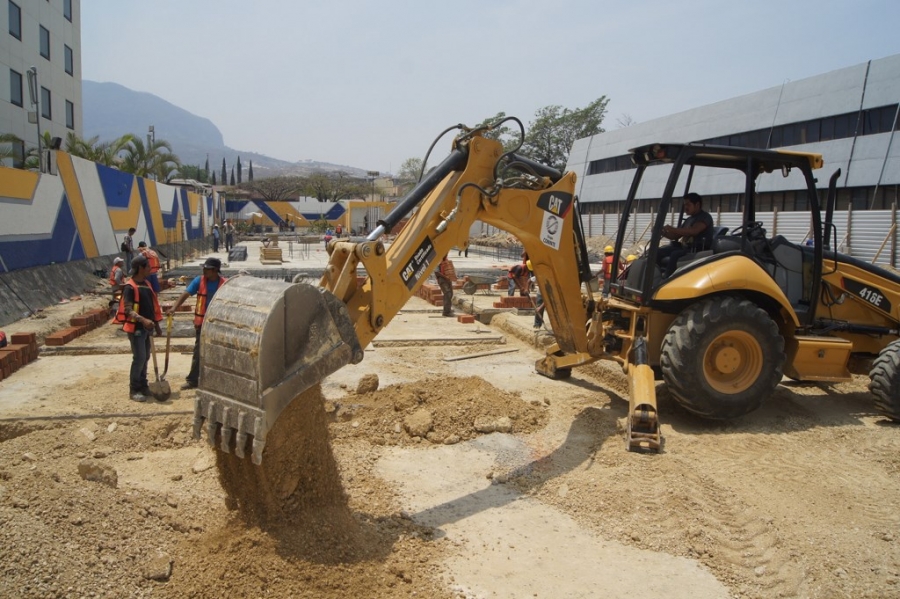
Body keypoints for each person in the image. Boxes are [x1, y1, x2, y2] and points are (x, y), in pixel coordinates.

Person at [166, 257, 227, 390]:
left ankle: (216, 379)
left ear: (215, 270)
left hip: (218, 323)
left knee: (218, 352)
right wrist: (174, 307)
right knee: (198, 352)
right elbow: (185, 294)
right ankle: (193, 380)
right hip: (202, 323)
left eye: (207, 269)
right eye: (204, 268)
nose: (204, 271)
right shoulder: (199, 281)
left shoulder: (224, 284)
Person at [116, 255, 162, 402]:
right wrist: (143, 320)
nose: (150, 269)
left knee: (146, 357)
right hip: (136, 328)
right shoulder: (130, 287)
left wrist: (157, 325)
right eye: (148, 266)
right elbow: (128, 309)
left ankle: (143, 385)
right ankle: (134, 389)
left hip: (147, 328)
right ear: (141, 268)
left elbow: (152, 307)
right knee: (139, 357)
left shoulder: (146, 284)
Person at [657, 193, 714, 278]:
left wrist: (672, 228)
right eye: (684, 205)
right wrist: (662, 232)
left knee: (675, 254)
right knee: (659, 251)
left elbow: (694, 231)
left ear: (697, 205)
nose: (685, 208)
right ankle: (654, 275)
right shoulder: (689, 219)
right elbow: (675, 236)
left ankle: (667, 278)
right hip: (686, 248)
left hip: (697, 250)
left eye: (688, 205)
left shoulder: (705, 217)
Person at [529, 261, 545, 329]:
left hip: (549, 296)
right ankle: (537, 325)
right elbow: (529, 280)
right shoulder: (539, 275)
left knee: (540, 308)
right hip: (540, 294)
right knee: (538, 309)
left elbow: (547, 301)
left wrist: (540, 308)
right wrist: (527, 289)